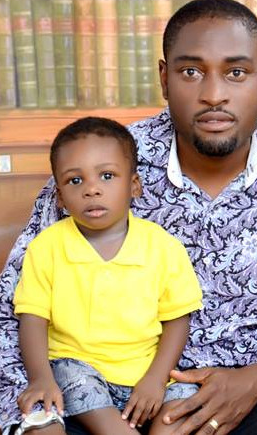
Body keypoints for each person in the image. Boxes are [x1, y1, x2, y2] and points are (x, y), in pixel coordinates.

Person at [0, 0, 257, 435]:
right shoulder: (102, 165)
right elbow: (3, 323)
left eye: (236, 72)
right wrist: (39, 416)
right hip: (105, 399)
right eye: (191, 72)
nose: (213, 94)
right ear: (164, 78)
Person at [13, 117, 204, 434]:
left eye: (107, 175)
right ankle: (114, 428)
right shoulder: (46, 247)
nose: (92, 189)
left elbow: (177, 319)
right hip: (79, 370)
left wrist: (156, 379)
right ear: (59, 196)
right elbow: (32, 318)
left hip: (145, 373)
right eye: (75, 180)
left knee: (185, 399)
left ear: (134, 185)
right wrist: (40, 378)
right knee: (70, 376)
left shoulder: (163, 247)